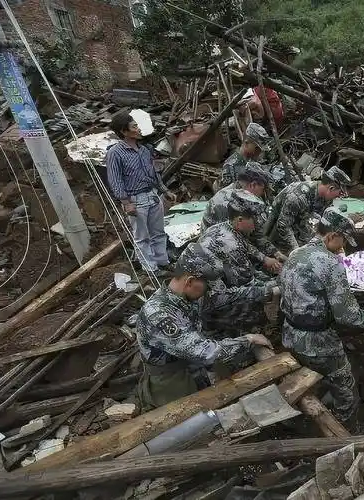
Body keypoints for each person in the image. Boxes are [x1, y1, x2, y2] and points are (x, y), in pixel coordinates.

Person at [279, 207, 364, 425]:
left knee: (308, 373)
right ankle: (344, 429)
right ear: (331, 236)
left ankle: (296, 418)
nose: (344, 246)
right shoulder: (330, 265)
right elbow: (348, 317)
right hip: (317, 343)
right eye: (343, 241)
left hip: (290, 334)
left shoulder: (296, 253)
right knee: (345, 386)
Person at [135, 247, 272, 410]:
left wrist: (269, 290)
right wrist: (249, 339)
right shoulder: (159, 314)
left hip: (192, 366)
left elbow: (226, 297)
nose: (209, 289)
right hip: (173, 380)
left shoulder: (187, 297)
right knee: (192, 425)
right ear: (190, 281)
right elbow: (206, 352)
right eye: (207, 285)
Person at [194, 191, 280, 333]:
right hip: (212, 301)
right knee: (262, 296)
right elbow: (247, 282)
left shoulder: (221, 227)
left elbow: (245, 245)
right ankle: (241, 331)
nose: (257, 225)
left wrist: (264, 258)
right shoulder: (231, 246)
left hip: (207, 289)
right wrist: (277, 283)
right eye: (255, 220)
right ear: (240, 220)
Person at [106, 112, 177, 274]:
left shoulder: (144, 150)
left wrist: (164, 190)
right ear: (124, 132)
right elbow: (115, 180)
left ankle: (162, 262)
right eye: (134, 126)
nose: (138, 129)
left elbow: (154, 173)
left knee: (158, 232)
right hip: (136, 200)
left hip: (152, 195)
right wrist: (126, 203)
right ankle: (150, 269)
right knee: (142, 237)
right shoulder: (115, 153)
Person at [202, 161, 286, 264]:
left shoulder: (248, 200)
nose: (262, 195)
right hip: (214, 248)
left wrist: (275, 253)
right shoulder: (226, 202)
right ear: (253, 185)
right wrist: (264, 259)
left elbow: (257, 235)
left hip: (236, 239)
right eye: (263, 190)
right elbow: (232, 240)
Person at [264, 166, 351, 255]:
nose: (339, 197)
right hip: (278, 227)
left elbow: (326, 219)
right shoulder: (297, 197)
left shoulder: (326, 197)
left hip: (301, 222)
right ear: (331, 188)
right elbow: (283, 225)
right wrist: (297, 251)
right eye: (339, 193)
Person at [219, 123, 270, 189]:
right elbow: (225, 194)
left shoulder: (253, 161)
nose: (259, 152)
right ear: (246, 143)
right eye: (257, 148)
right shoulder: (231, 166)